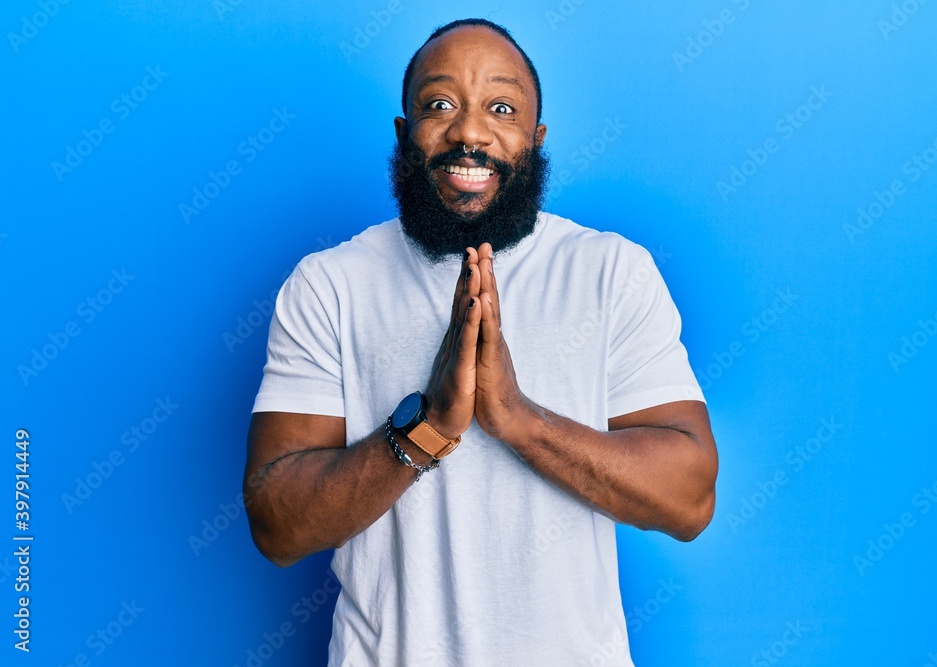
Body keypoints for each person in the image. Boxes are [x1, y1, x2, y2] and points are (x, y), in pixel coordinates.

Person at [243, 17, 718, 666]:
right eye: (440, 105)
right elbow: (277, 522)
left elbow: (690, 499)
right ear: (404, 134)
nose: (469, 131)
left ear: (535, 138)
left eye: (502, 107)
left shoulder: (611, 272)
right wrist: (428, 427)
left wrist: (518, 419)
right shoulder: (329, 284)